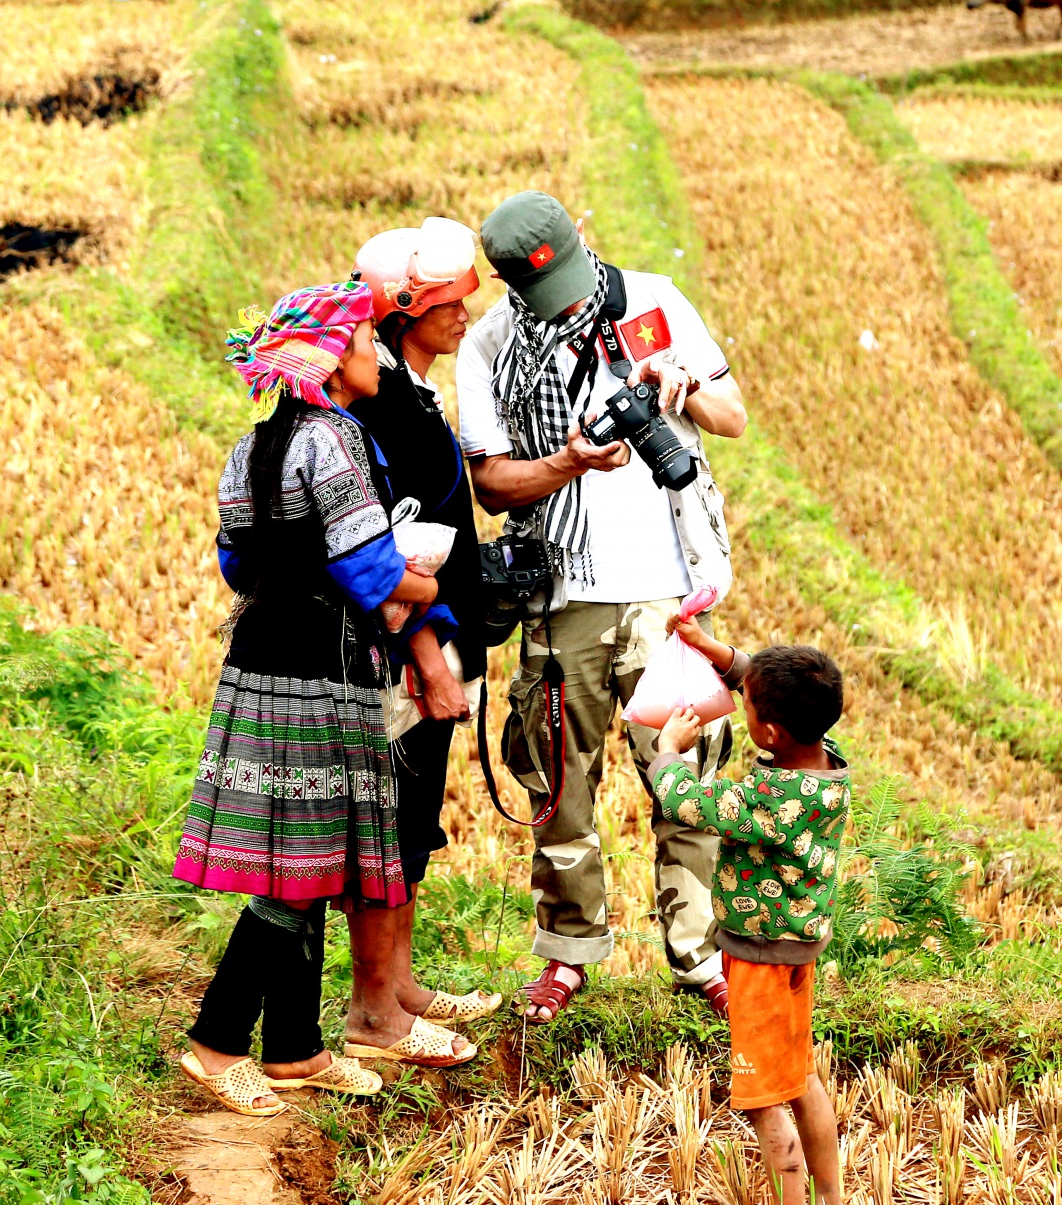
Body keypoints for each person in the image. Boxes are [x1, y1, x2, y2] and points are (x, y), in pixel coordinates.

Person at [175, 281, 472, 1118]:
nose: (377, 354)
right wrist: (425, 578)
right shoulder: (337, 440)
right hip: (322, 672)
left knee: (308, 859)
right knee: (296, 871)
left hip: (263, 661)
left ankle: (296, 1050)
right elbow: (373, 572)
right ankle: (217, 1040)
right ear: (336, 362)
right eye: (367, 344)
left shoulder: (253, 446)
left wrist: (363, 579)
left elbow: (239, 565)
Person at [456, 190, 747, 1021]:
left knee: (682, 772)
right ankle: (570, 950)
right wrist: (569, 463)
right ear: (509, 282)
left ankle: (699, 954)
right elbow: (489, 478)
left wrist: (680, 387)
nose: (574, 305)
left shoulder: (653, 299)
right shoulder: (488, 347)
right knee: (558, 787)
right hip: (562, 594)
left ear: (583, 238)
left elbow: (734, 415)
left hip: (668, 592)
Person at [343, 218, 501, 1031]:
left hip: (438, 639)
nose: (464, 311)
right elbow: (396, 554)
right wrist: (431, 654)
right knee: (391, 818)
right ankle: (378, 1010)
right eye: (448, 300)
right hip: (410, 651)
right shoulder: (392, 408)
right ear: (403, 310)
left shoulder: (415, 393)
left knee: (413, 813)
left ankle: (400, 983)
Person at [651, 622, 847, 1205]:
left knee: (764, 1099)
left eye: (747, 701)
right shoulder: (827, 766)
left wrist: (667, 753)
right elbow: (779, 701)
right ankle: (831, 1198)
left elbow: (691, 804)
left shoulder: (768, 802)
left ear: (768, 730)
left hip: (758, 961)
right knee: (802, 1077)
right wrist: (727, 660)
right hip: (799, 949)